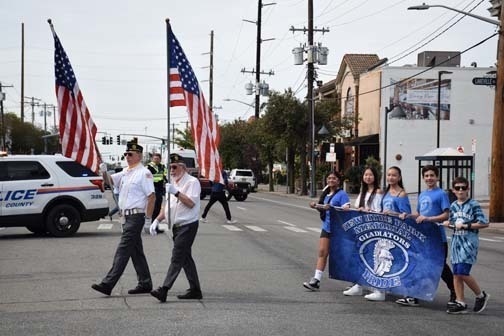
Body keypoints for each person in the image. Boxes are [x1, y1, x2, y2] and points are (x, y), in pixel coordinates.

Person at [92, 138, 155, 296]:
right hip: (126, 217)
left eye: (131, 154)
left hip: (136, 216)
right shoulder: (126, 172)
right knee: (136, 252)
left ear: (139, 156)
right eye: (126, 153)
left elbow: (152, 196)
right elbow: (109, 181)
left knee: (123, 250)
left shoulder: (144, 173)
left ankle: (108, 283)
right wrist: (103, 171)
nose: (127, 156)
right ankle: (145, 283)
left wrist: (148, 219)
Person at [396, 165, 456, 308]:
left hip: (437, 238)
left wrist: (430, 219)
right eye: (426, 176)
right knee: (418, 264)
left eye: (432, 175)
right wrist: (408, 216)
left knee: (440, 267)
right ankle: (413, 296)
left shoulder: (441, 194)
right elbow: (419, 214)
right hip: (423, 238)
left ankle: (455, 291)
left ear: (437, 177)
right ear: (423, 178)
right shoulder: (422, 194)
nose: (429, 178)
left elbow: (446, 214)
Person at [149, 153, 203, 302]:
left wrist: (176, 192)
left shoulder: (192, 182)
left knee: (177, 257)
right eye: (169, 167)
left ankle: (164, 289)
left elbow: (191, 203)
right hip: (176, 226)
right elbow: (167, 207)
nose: (171, 170)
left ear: (183, 168)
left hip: (188, 225)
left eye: (174, 167)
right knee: (186, 259)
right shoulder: (173, 183)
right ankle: (195, 290)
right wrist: (157, 220)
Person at [443, 176, 490, 314]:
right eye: (458, 188)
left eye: (463, 187)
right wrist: (449, 224)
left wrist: (466, 225)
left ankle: (481, 295)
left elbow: (484, 223)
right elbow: (453, 223)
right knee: (456, 274)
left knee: (463, 272)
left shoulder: (473, 204)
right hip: (456, 242)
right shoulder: (453, 206)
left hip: (469, 243)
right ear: (453, 190)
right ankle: (460, 301)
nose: (461, 190)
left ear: (468, 189)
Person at [303, 170, 350, 291]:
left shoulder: (342, 194)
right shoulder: (326, 194)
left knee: (344, 255)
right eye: (329, 178)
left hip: (339, 229)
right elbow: (323, 209)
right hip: (327, 227)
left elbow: (347, 209)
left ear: (338, 181)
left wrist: (336, 208)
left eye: (334, 178)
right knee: (322, 252)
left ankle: (354, 281)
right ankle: (316, 280)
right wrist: (315, 206)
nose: (331, 180)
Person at [343, 166, 385, 301]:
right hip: (363, 230)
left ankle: (379, 289)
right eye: (366, 175)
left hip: (375, 230)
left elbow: (379, 211)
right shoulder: (363, 192)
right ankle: (359, 284)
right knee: (361, 257)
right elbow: (356, 208)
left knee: (376, 259)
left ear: (375, 177)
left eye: (370, 175)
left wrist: (368, 211)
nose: (368, 177)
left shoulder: (379, 192)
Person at [146, 153, 167, 233]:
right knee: (154, 208)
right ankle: (152, 226)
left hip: (160, 189)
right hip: (152, 189)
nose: (156, 160)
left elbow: (165, 175)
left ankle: (155, 225)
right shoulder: (149, 167)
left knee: (158, 208)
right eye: (154, 159)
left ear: (160, 159)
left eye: (157, 159)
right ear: (152, 159)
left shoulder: (162, 166)